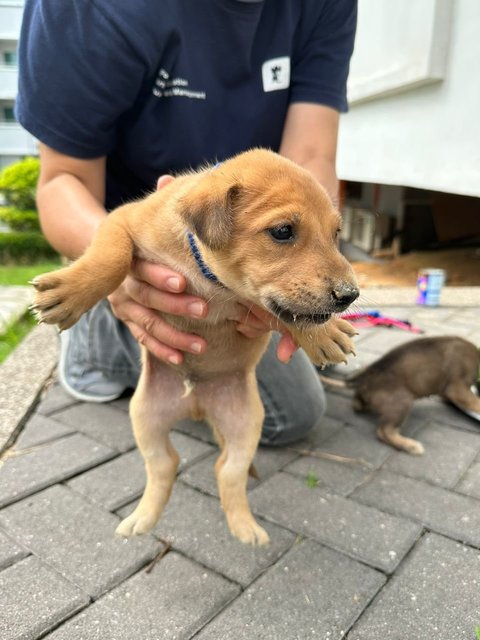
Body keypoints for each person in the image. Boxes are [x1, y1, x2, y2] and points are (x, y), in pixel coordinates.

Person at [17, 0, 357, 445]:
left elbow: (310, 160)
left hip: (239, 237)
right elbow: (64, 179)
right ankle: (95, 344)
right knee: (286, 406)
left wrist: (291, 291)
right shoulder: (87, 8)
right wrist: (114, 273)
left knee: (297, 405)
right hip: (139, 241)